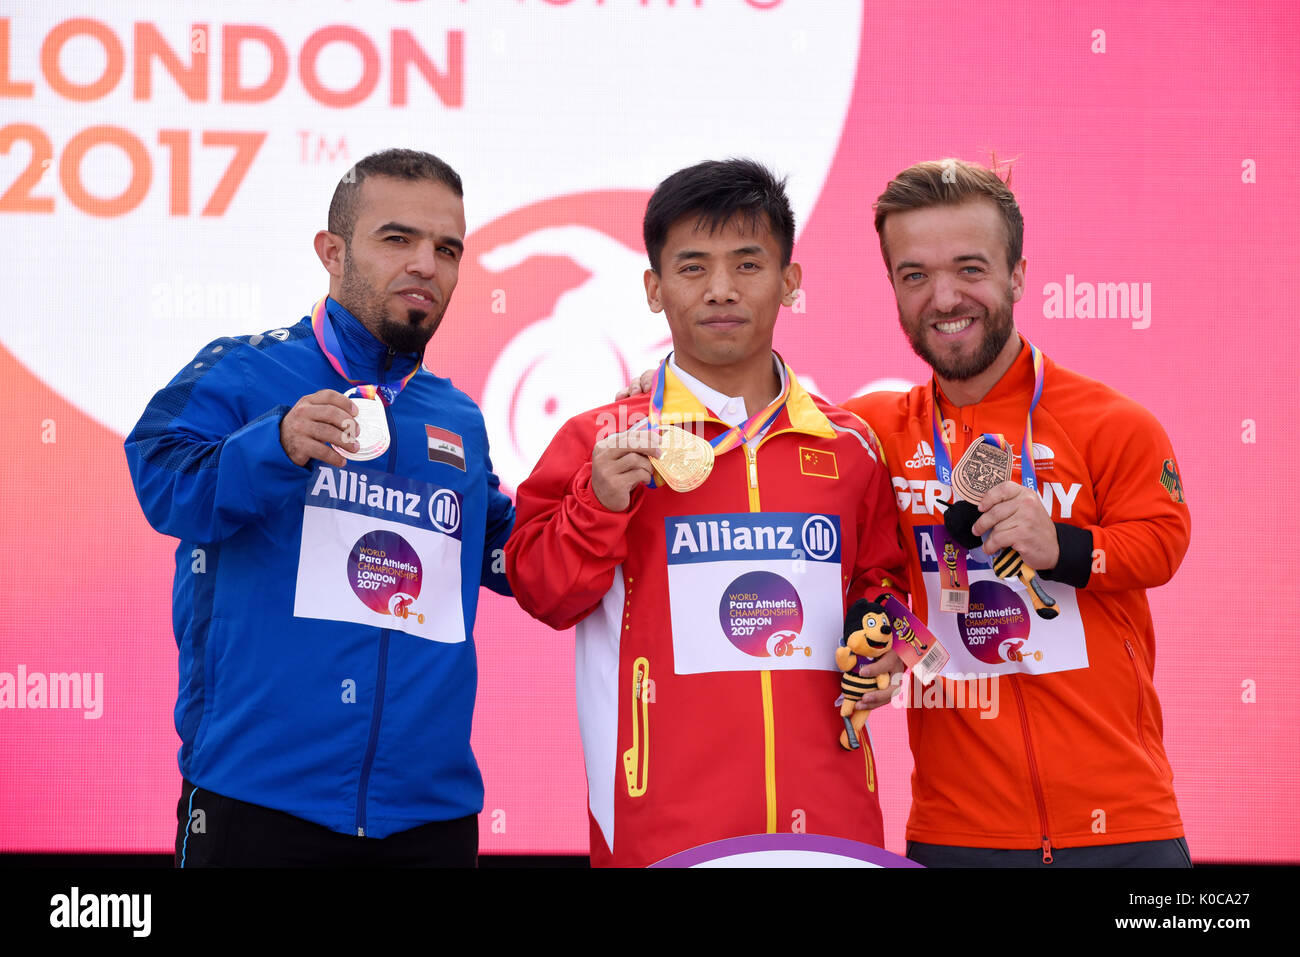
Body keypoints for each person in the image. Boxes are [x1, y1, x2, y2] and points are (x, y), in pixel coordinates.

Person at [504, 159, 908, 867]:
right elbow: (542, 590)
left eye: (747, 264)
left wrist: (886, 645)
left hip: (831, 830)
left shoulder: (850, 448)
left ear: (790, 280)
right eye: (693, 268)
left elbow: (886, 585)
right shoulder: (599, 439)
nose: (721, 289)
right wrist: (597, 503)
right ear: (655, 289)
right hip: (661, 834)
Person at [124, 149, 514, 867]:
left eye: (447, 248)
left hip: (430, 817)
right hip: (258, 803)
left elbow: (512, 553)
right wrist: (272, 443)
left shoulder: (457, 415)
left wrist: (608, 483)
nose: (426, 264)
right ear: (332, 252)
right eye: (398, 239)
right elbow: (157, 474)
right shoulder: (244, 370)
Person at [843, 158, 1191, 867]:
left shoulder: (1111, 421)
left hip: (1122, 827)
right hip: (956, 833)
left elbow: (1163, 541)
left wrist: (1060, 543)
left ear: (1018, 276)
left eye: (969, 268)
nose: (944, 297)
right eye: (914, 276)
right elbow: (763, 438)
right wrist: (670, 392)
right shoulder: (871, 430)